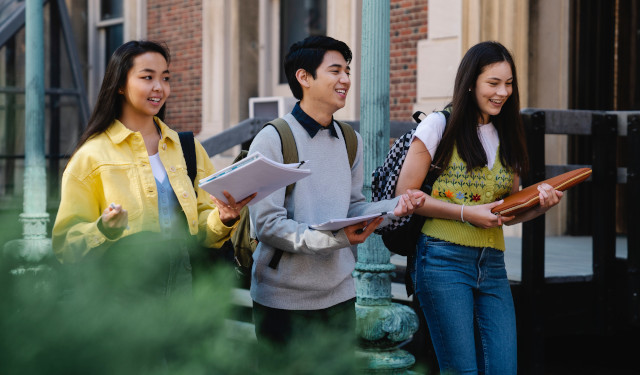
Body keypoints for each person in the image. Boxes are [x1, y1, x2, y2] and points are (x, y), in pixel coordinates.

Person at [395, 41, 563, 374]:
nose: (503, 92)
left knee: (503, 368)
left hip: (493, 264)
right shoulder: (438, 126)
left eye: (509, 83)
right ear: (471, 82)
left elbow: (506, 210)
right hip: (442, 260)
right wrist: (465, 213)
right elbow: (407, 195)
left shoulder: (509, 132)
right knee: (462, 371)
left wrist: (540, 206)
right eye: (494, 83)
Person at [248, 35, 427, 346]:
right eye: (335, 71)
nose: (345, 79)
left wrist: (393, 208)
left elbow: (353, 208)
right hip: (282, 300)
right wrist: (335, 238)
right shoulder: (272, 139)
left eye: (347, 70)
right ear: (303, 77)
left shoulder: (349, 139)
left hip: (341, 295)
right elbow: (267, 226)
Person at [52, 40, 254, 298]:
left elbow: (202, 232)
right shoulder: (92, 156)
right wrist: (103, 229)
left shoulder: (188, 148)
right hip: (122, 294)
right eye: (147, 77)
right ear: (121, 85)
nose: (159, 87)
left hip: (186, 288)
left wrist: (225, 217)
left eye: (165, 78)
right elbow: (66, 245)